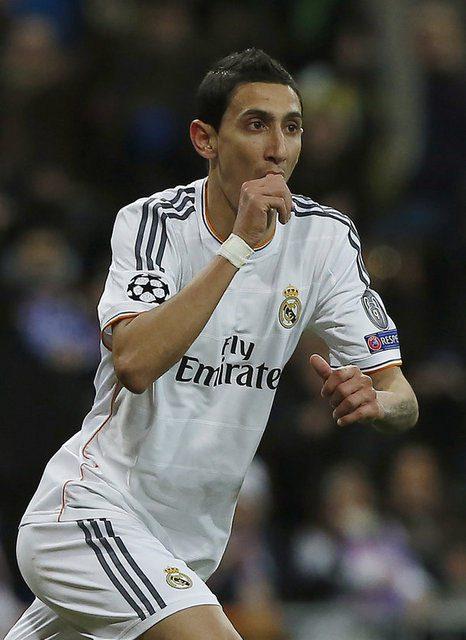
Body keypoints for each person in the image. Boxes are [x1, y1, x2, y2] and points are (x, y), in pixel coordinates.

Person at [6, 48, 418, 640]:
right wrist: (237, 249)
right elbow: (134, 362)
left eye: (292, 127)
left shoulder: (324, 240)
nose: (277, 147)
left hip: (183, 548)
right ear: (206, 139)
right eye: (256, 125)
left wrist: (379, 403)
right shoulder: (154, 223)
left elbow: (401, 395)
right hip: (92, 517)